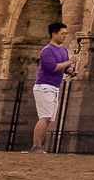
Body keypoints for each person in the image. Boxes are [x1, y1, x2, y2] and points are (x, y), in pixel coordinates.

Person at [29, 22, 74, 154]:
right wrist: (71, 61)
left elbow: (66, 69)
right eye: (62, 34)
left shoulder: (63, 50)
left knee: (48, 119)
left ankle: (39, 147)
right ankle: (36, 146)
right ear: (54, 34)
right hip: (44, 86)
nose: (65, 36)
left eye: (66, 34)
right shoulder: (47, 50)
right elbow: (53, 67)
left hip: (54, 87)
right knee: (45, 117)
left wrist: (72, 70)